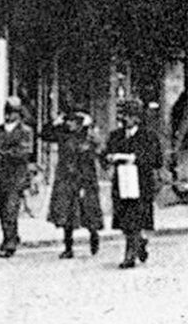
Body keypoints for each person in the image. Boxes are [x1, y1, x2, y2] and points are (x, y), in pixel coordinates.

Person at [104, 98, 164, 269]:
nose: (125, 120)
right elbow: (106, 154)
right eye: (123, 116)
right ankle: (140, 242)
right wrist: (109, 157)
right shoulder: (116, 136)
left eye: (129, 116)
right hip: (121, 181)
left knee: (135, 218)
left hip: (141, 183)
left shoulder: (148, 136)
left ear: (137, 118)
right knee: (124, 219)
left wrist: (135, 159)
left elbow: (157, 159)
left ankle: (129, 254)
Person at [40, 109, 103, 258]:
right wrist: (55, 122)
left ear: (79, 123)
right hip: (66, 178)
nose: (69, 124)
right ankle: (68, 247)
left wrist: (90, 129)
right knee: (66, 214)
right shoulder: (63, 135)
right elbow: (44, 135)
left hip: (85, 179)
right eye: (67, 121)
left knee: (88, 212)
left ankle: (94, 235)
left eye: (73, 121)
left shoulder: (88, 136)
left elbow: (97, 150)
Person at [0, 96, 34, 257]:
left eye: (12, 112)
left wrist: (1, 153)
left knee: (10, 210)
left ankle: (10, 244)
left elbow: (23, 152)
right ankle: (10, 236)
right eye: (6, 111)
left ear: (18, 114)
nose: (8, 115)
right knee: (1, 210)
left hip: (16, 177)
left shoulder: (25, 131)